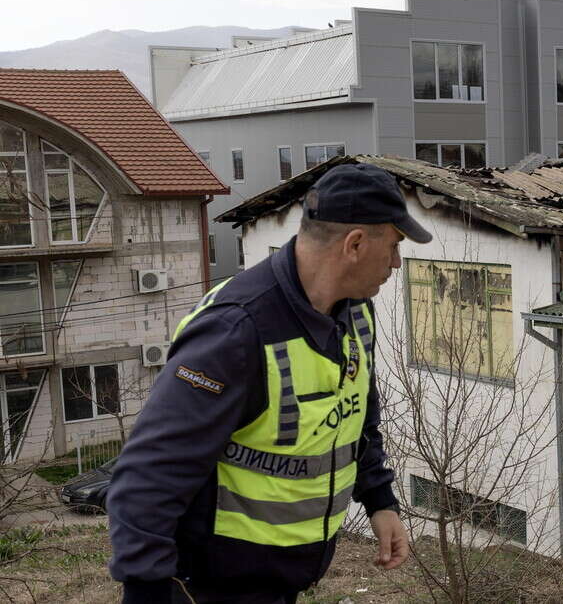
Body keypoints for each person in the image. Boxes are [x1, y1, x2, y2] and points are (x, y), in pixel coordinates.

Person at [108, 163, 432, 604]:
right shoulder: (236, 331)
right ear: (355, 244)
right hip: (213, 587)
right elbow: (148, 476)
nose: (396, 262)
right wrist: (148, 591)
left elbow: (356, 415)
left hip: (283, 581)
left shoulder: (356, 312)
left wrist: (379, 498)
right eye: (394, 246)